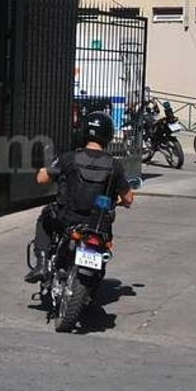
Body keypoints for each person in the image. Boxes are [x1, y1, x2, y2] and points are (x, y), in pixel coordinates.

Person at [24, 111, 135, 283]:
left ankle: (42, 264)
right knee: (104, 240)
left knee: (45, 217)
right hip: (98, 224)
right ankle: (94, 277)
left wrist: (45, 169)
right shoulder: (115, 166)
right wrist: (120, 201)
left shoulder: (69, 158)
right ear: (109, 135)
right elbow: (128, 199)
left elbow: (42, 178)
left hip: (67, 219)